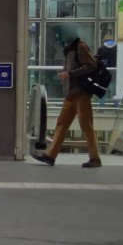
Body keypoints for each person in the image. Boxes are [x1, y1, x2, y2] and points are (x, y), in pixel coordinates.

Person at [34, 26, 102, 168]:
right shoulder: (69, 49)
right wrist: (66, 74)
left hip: (81, 94)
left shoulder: (80, 46)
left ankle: (95, 158)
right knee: (61, 124)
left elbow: (91, 65)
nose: (61, 38)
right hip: (70, 94)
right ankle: (50, 155)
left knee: (86, 126)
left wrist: (70, 74)